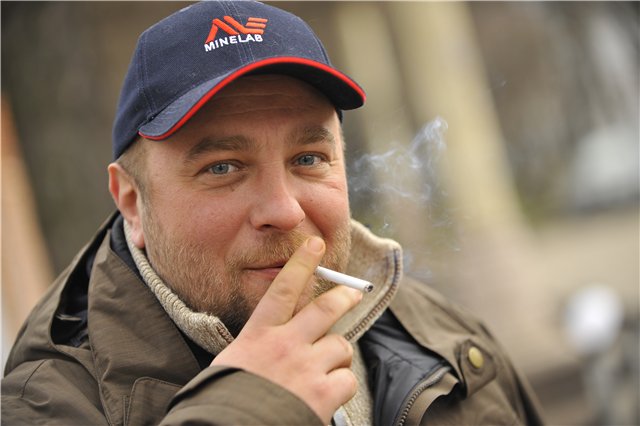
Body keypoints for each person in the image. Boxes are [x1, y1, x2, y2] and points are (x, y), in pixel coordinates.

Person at [2, 1, 544, 424]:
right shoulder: (44, 406)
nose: (284, 211)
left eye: (308, 159)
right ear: (132, 202)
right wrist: (245, 411)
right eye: (222, 167)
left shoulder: (450, 343)